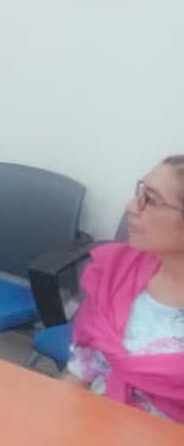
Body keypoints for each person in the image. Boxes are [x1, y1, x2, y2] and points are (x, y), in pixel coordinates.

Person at [63, 156, 184, 422]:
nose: (131, 206)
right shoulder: (119, 274)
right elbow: (81, 373)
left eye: (150, 199)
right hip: (90, 430)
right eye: (140, 191)